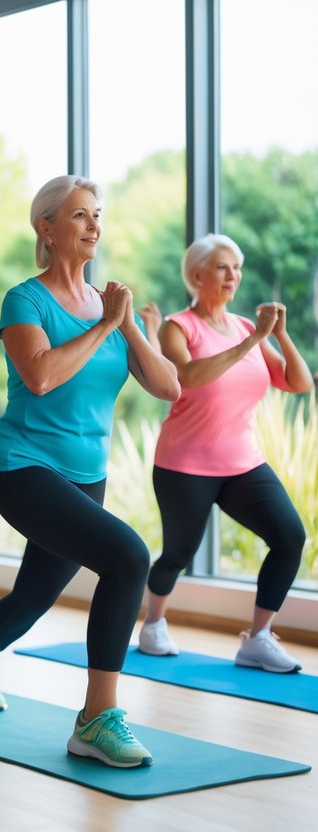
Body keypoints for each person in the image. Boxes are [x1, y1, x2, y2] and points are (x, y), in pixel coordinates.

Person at [0, 175, 180, 769]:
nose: (93, 225)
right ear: (46, 228)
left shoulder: (111, 308)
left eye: (97, 214)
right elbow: (42, 376)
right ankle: (95, 719)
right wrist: (104, 326)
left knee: (36, 593)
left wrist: (125, 324)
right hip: (21, 467)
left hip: (85, 475)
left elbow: (169, 386)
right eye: (79, 215)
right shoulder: (24, 301)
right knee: (129, 557)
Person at [138, 234, 312, 670]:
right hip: (184, 464)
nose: (233, 275)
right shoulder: (178, 327)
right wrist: (253, 343)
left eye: (237, 267)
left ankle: (257, 638)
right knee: (179, 553)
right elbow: (189, 377)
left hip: (242, 463)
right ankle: (153, 624)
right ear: (197, 275)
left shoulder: (244, 328)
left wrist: (280, 335)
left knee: (289, 537)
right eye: (222, 267)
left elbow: (298, 382)